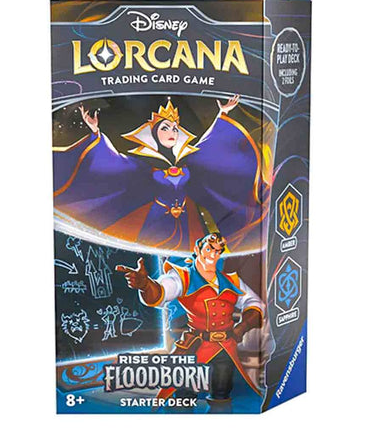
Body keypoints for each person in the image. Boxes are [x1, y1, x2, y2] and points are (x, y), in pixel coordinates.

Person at [53, 96, 267, 253]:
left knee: (191, 259)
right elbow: (115, 162)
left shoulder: (188, 158)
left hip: (188, 218)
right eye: (165, 128)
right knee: (156, 256)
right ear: (154, 133)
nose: (172, 132)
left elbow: (212, 144)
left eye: (174, 128)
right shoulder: (144, 163)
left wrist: (223, 114)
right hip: (157, 219)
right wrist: (95, 131)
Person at [115, 232, 265, 412]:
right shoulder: (183, 277)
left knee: (222, 398)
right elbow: (162, 291)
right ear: (197, 250)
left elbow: (255, 303)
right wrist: (146, 285)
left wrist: (242, 327)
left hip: (225, 348)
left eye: (217, 251)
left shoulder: (231, 280)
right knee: (183, 399)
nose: (212, 255)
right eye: (209, 249)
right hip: (195, 347)